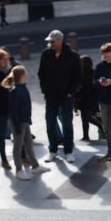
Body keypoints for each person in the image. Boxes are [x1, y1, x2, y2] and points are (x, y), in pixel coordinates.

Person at [37, 29, 82, 163]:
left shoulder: (72, 55)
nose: (50, 43)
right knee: (50, 123)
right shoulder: (45, 54)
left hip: (66, 96)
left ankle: (68, 151)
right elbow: (41, 74)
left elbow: (78, 77)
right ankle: (52, 150)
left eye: (52, 41)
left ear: (60, 40)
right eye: (49, 41)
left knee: (67, 123)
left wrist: (70, 93)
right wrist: (45, 90)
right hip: (51, 96)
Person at [3, 66, 50, 181]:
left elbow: (26, 106)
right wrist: (17, 126)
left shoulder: (22, 88)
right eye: (26, 72)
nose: (28, 74)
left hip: (24, 121)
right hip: (18, 122)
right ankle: (18, 170)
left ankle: (35, 166)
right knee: (18, 146)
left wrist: (28, 120)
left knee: (29, 143)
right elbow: (13, 110)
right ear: (22, 75)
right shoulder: (14, 90)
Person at [76, 55, 102, 142]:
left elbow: (83, 86)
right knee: (87, 118)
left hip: (86, 99)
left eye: (81, 62)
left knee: (86, 118)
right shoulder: (91, 72)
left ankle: (89, 134)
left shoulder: (83, 73)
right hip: (88, 99)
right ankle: (87, 135)